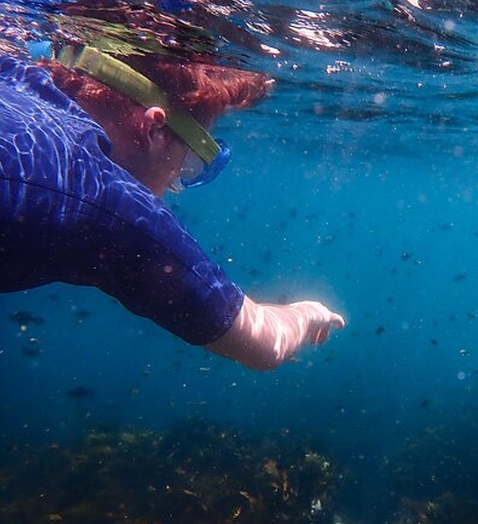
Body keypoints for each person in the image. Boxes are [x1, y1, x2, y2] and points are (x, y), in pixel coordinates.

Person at [0, 40, 345, 370]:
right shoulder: (103, 201)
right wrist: (308, 314)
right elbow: (264, 345)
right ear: (155, 129)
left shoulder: (13, 72)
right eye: (191, 162)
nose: (175, 185)